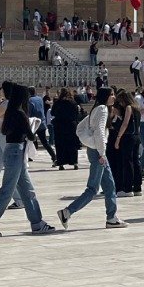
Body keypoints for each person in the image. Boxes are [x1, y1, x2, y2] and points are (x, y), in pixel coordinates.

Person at [0, 83, 57, 237]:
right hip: (17, 151)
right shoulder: (20, 113)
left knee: (27, 190)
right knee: (7, 190)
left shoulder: (10, 112)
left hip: (10, 149)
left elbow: (4, 131)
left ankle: (37, 223)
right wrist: (32, 125)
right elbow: (31, 135)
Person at [58, 88, 127, 230]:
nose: (114, 97)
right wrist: (101, 153)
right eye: (111, 95)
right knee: (93, 189)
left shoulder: (97, 108)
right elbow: (100, 131)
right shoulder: (102, 109)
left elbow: (81, 127)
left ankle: (111, 218)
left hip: (95, 150)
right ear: (105, 97)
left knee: (109, 186)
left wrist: (89, 142)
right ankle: (68, 211)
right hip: (98, 152)